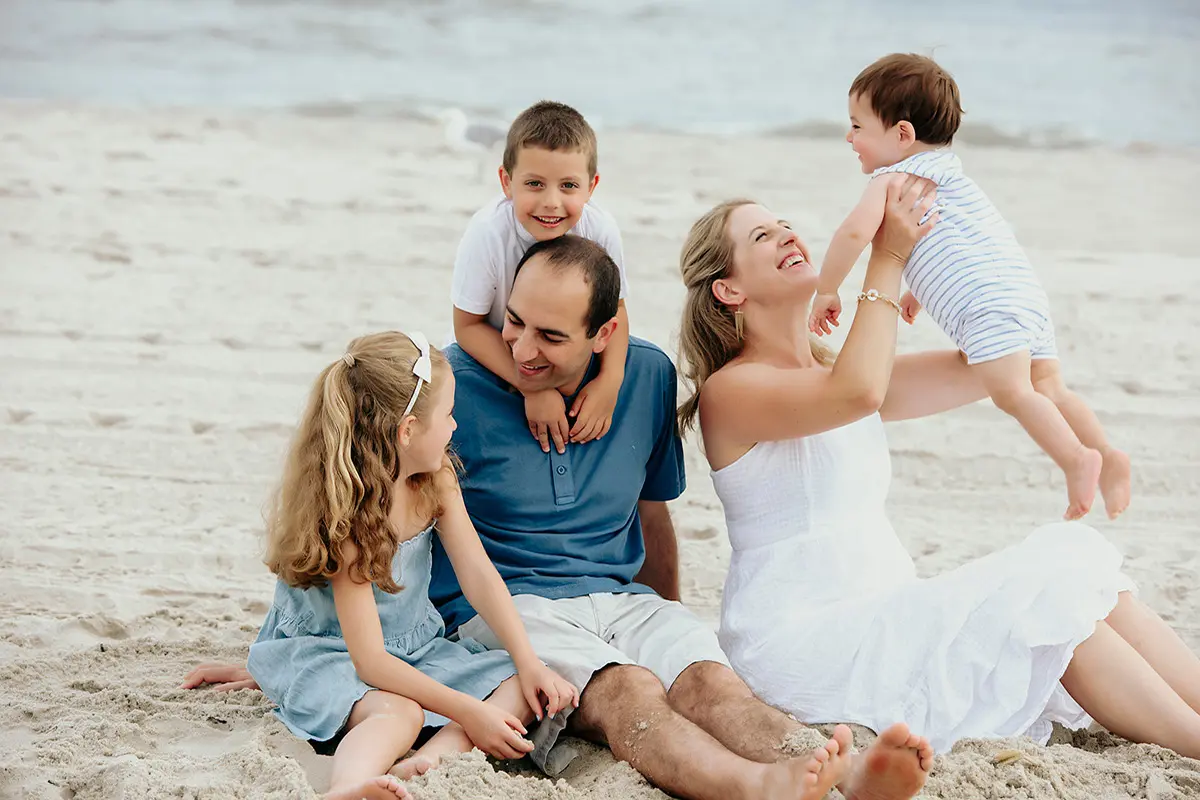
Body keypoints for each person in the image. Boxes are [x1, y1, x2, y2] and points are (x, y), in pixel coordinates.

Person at [186, 226, 939, 800]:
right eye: (513, 322)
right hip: (520, 609)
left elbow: (653, 513)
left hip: (617, 599)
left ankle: (834, 771)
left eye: (550, 336)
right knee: (629, 694)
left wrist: (666, 615)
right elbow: (348, 523)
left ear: (604, 335)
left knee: (710, 681)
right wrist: (277, 659)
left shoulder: (641, 375)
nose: (519, 347)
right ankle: (757, 789)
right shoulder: (456, 393)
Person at [676, 178, 1200, 760]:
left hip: (888, 610)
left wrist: (945, 275)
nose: (785, 234)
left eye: (783, 224)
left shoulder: (837, 373)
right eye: (761, 236)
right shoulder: (732, 392)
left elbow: (989, 364)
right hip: (807, 640)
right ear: (728, 289)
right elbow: (859, 392)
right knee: (1050, 612)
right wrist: (888, 256)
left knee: (1083, 580)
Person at [185, 331, 578, 800]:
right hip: (336, 654)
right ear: (407, 430)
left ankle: (429, 760)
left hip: (414, 647)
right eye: (448, 415)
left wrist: (528, 661)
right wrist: (469, 711)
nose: (455, 427)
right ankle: (351, 788)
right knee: (401, 714)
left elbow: (479, 576)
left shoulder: (437, 478)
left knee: (523, 685)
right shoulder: (351, 514)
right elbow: (369, 661)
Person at [807, 52, 1130, 522]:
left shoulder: (891, 180)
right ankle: (1108, 454)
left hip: (989, 307)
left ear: (901, 135)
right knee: (1049, 387)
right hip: (1023, 294)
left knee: (1013, 393)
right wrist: (921, 286)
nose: (849, 136)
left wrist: (827, 289)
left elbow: (854, 234)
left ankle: (1077, 459)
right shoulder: (954, 175)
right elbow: (960, 241)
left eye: (858, 126)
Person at [450, 100, 631, 455]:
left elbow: (617, 310)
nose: (551, 202)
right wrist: (533, 388)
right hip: (494, 350)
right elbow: (467, 327)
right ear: (506, 181)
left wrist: (610, 381)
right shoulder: (488, 233)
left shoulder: (601, 229)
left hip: (561, 349)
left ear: (591, 187)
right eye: (534, 184)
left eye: (568, 186)